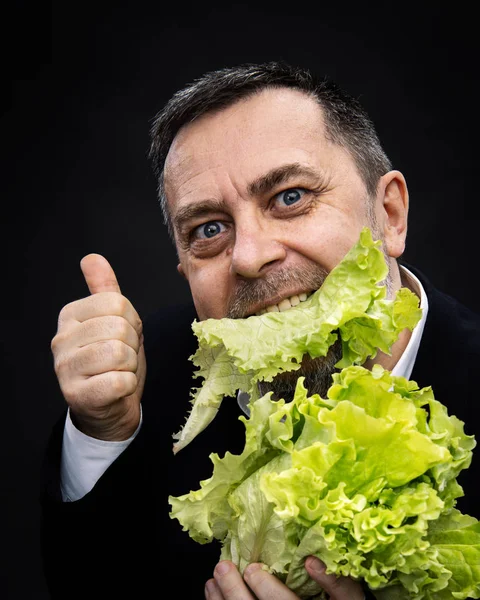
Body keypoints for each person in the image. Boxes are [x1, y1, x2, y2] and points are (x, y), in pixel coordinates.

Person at [41, 62, 480, 600]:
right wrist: (101, 432)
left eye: (290, 197)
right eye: (208, 230)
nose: (250, 256)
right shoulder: (146, 374)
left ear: (389, 215)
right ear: (185, 269)